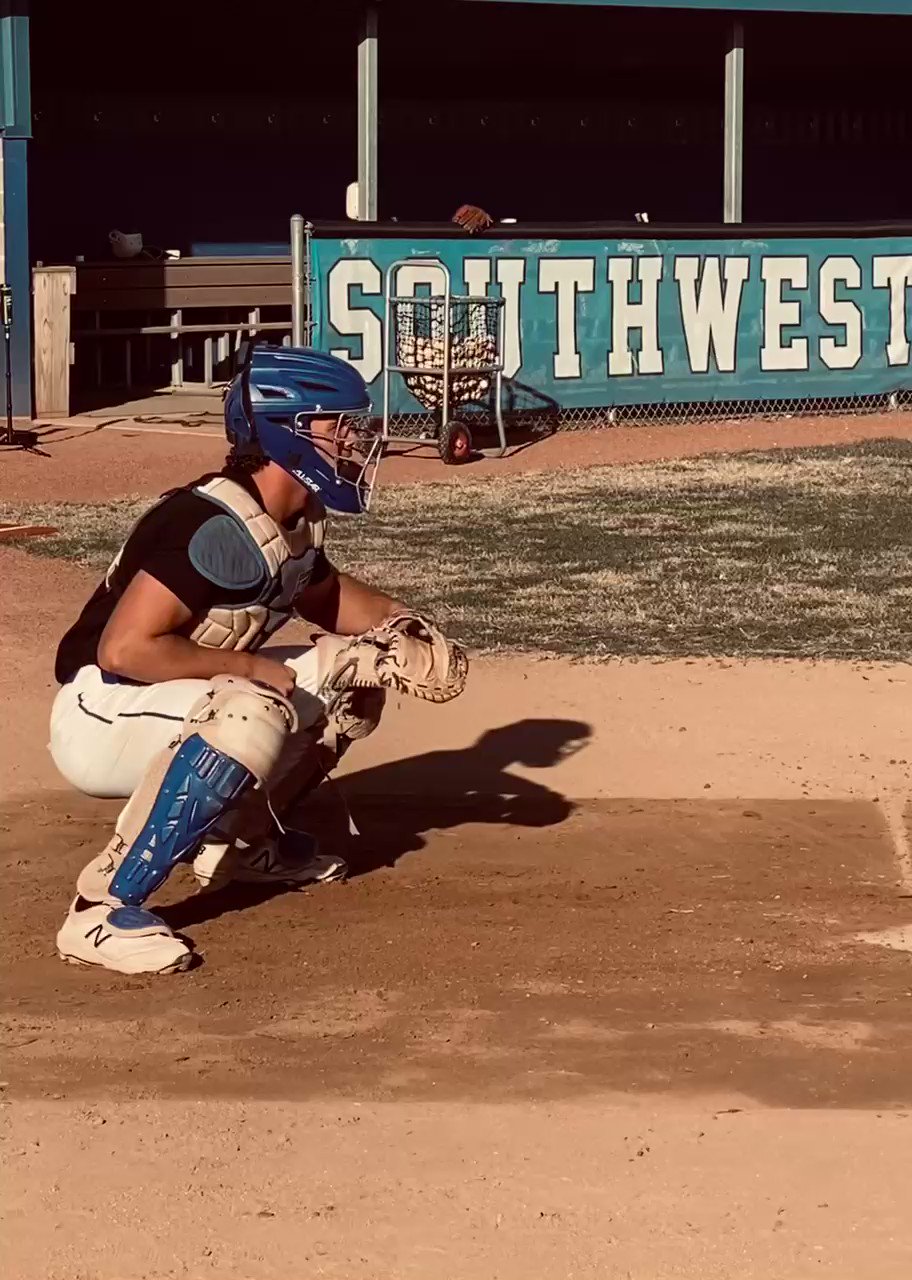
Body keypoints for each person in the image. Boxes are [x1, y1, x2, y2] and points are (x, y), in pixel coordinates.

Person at [48, 343, 465, 976]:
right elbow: (125, 648)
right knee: (251, 710)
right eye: (337, 422)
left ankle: (240, 845)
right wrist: (249, 669)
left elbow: (324, 596)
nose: (354, 437)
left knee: (351, 675)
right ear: (285, 432)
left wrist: (400, 626)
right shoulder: (211, 525)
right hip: (100, 710)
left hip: (162, 698)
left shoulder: (292, 515)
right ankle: (99, 910)